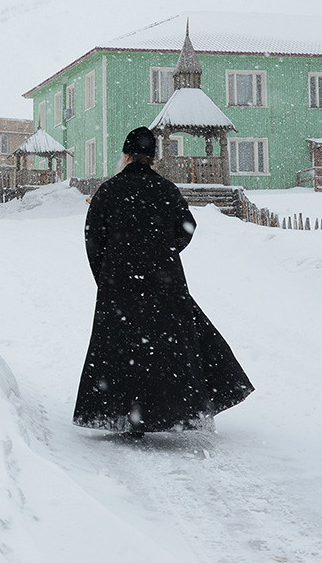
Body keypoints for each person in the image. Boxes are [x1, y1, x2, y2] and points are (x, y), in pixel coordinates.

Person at [74, 127, 253, 435]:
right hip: (163, 280)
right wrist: (162, 254)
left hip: (120, 283)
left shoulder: (109, 190)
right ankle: (172, 411)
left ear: (126, 156)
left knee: (123, 348)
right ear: (152, 158)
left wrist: (106, 276)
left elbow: (93, 239)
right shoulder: (166, 189)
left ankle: (125, 415)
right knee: (167, 347)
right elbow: (186, 228)